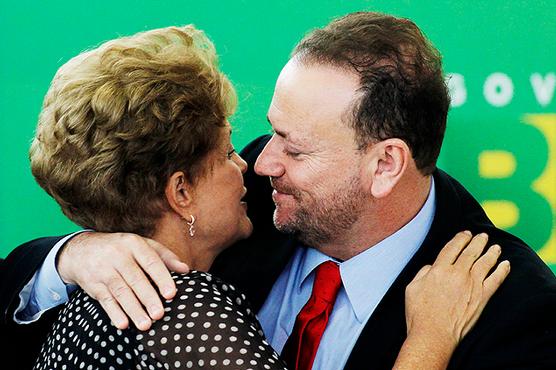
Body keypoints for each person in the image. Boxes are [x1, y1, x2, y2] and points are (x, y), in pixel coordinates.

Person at [1, 11, 555, 369]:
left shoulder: (517, 313)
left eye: (294, 146)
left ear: (386, 164)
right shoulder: (244, 210)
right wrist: (78, 252)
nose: (259, 161)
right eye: (270, 133)